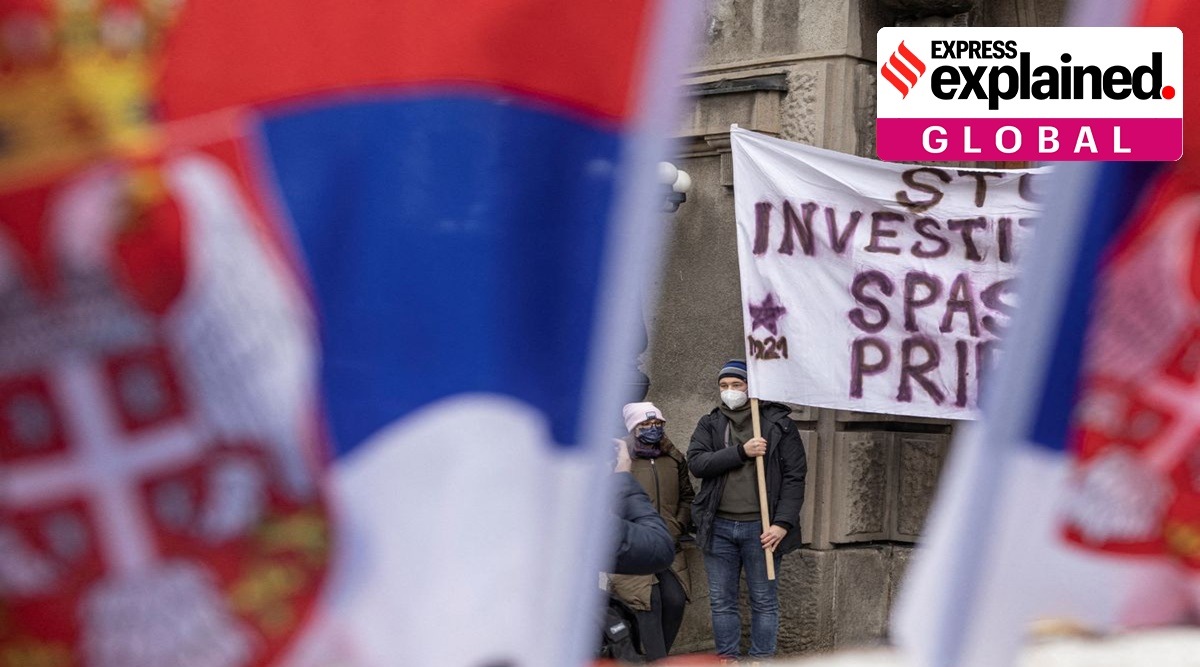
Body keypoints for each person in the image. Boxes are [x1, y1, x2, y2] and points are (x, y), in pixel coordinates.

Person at [687, 359, 806, 661]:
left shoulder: (779, 424)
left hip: (762, 529)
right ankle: (728, 658)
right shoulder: (710, 423)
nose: (729, 391)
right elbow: (698, 463)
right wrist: (741, 452)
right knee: (721, 600)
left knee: (764, 600)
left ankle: (760, 659)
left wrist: (782, 524)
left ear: (750, 387)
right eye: (724, 386)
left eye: (736, 385)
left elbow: (795, 476)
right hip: (719, 527)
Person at [607, 402, 694, 661]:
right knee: (647, 605)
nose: (652, 429)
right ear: (633, 428)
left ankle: (657, 658)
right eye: (645, 424)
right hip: (634, 545)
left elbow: (688, 497)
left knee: (675, 600)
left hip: (668, 543)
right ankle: (654, 660)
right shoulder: (620, 461)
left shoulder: (673, 457)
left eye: (657, 423)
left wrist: (677, 525)